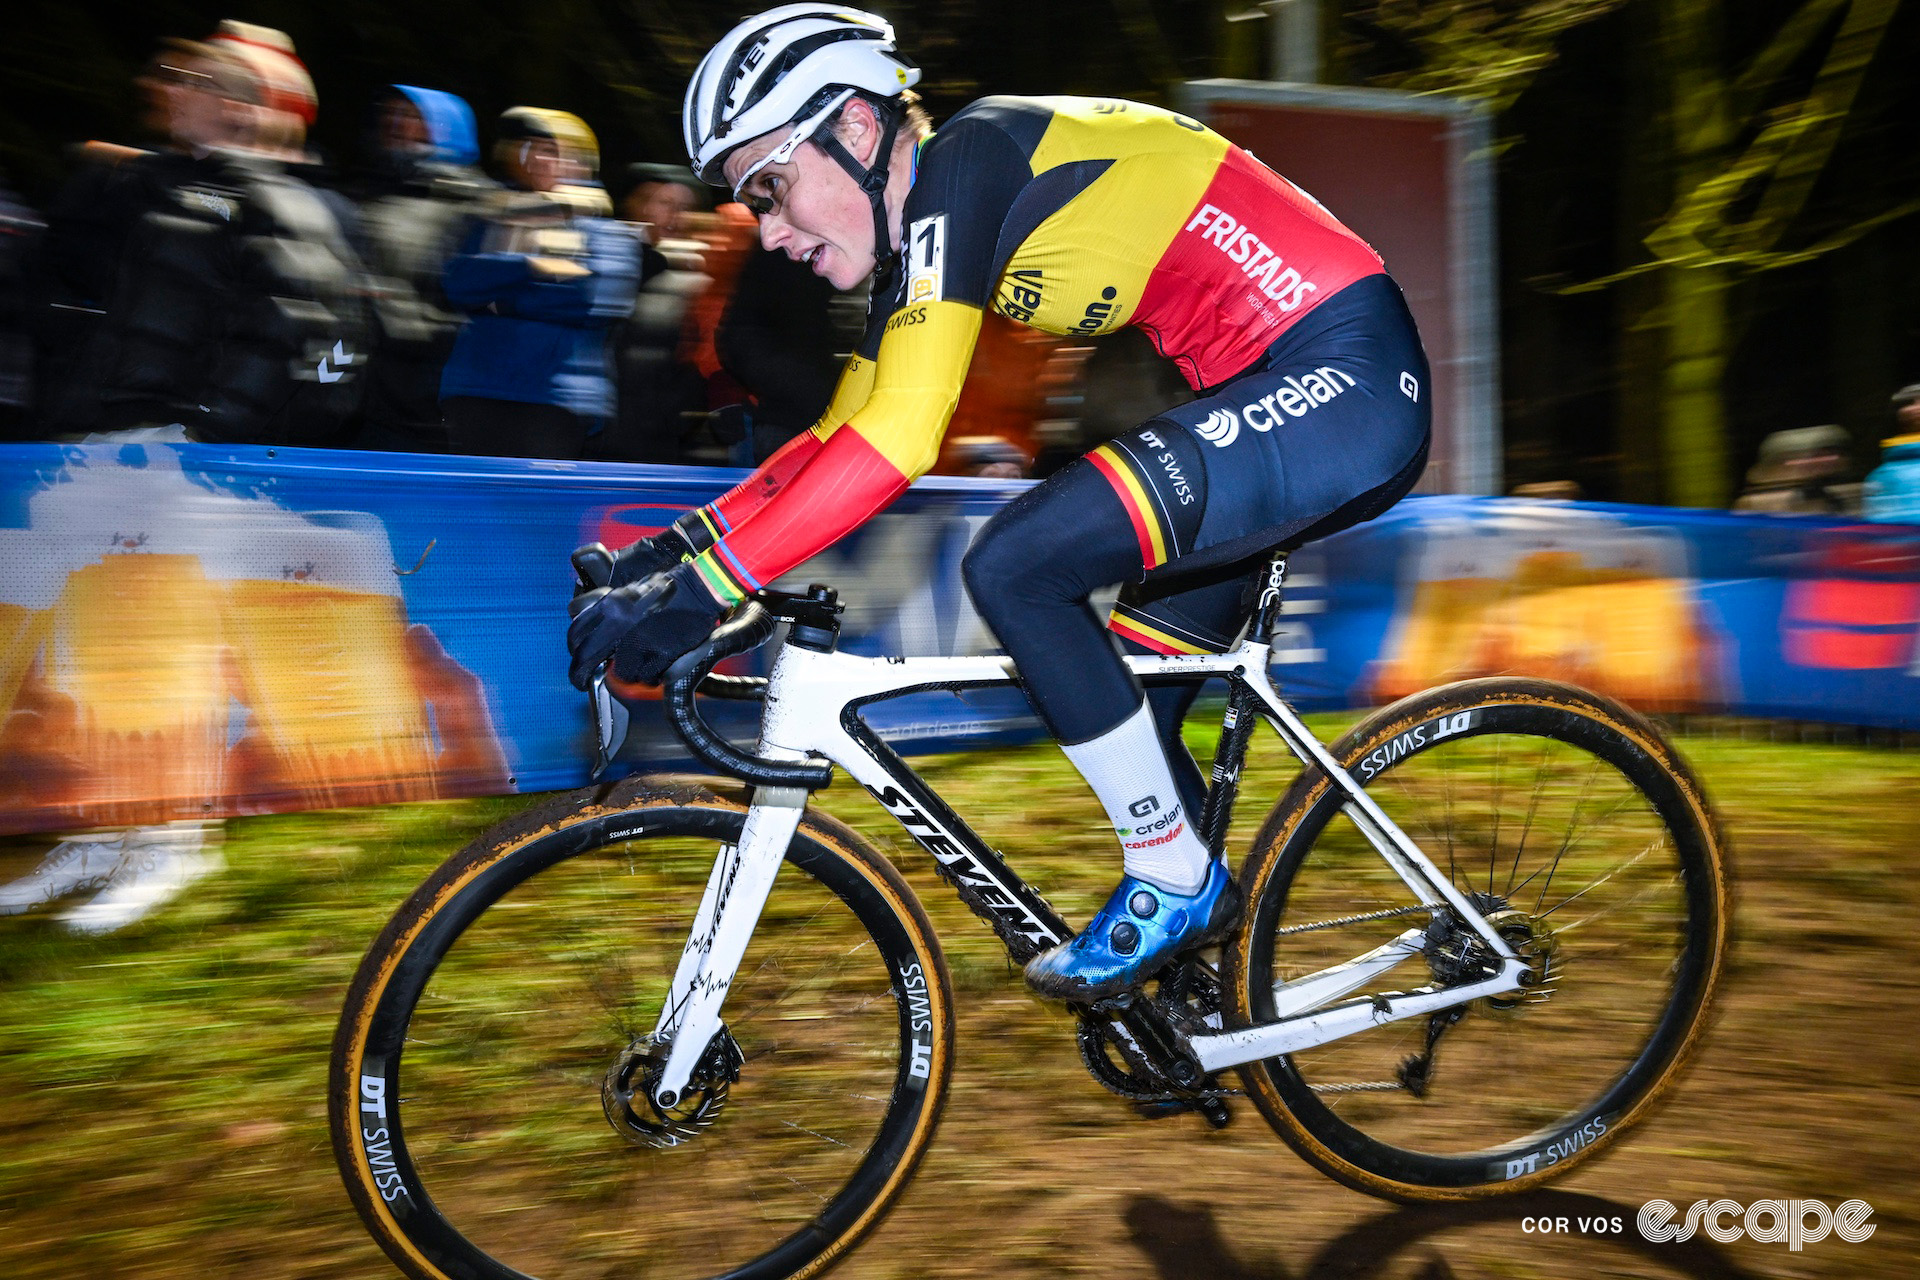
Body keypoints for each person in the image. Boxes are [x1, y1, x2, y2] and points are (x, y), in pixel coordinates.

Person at [566, 5, 1431, 1002]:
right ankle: (1201, 1002)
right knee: (1130, 723)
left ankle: (1176, 882)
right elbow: (844, 429)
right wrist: (673, 553)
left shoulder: (963, 168)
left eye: (769, 185)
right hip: (1269, 393)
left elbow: (900, 442)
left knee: (1019, 561)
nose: (766, 229)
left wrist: (706, 592)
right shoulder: (925, 232)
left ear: (853, 129)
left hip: (1346, 380)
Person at [440, 108, 640, 459]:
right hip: (475, 389)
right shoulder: (491, 216)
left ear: (579, 160)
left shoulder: (602, 229)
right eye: (527, 148)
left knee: (533, 509)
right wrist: (533, 264)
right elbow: (458, 284)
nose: (535, 159)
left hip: (555, 397)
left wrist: (498, 302)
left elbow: (590, 300)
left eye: (550, 150)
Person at [353, 85, 491, 453]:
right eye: (392, 112)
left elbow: (473, 302)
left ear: (447, 128)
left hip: (431, 401)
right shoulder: (376, 195)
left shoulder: (475, 206)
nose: (397, 123)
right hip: (369, 393)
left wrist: (386, 308)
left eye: (413, 116)